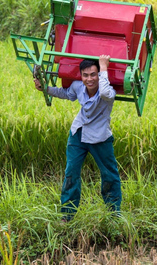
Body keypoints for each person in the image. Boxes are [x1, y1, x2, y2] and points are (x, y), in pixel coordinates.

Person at [34, 55, 122, 221]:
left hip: (100, 137)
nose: (89, 79)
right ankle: (67, 215)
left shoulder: (108, 92)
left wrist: (104, 66)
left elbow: (103, 90)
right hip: (78, 133)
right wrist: (45, 89)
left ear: (99, 75)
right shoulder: (77, 86)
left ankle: (114, 213)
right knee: (71, 172)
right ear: (81, 76)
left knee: (109, 174)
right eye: (85, 75)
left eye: (93, 74)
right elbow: (65, 93)